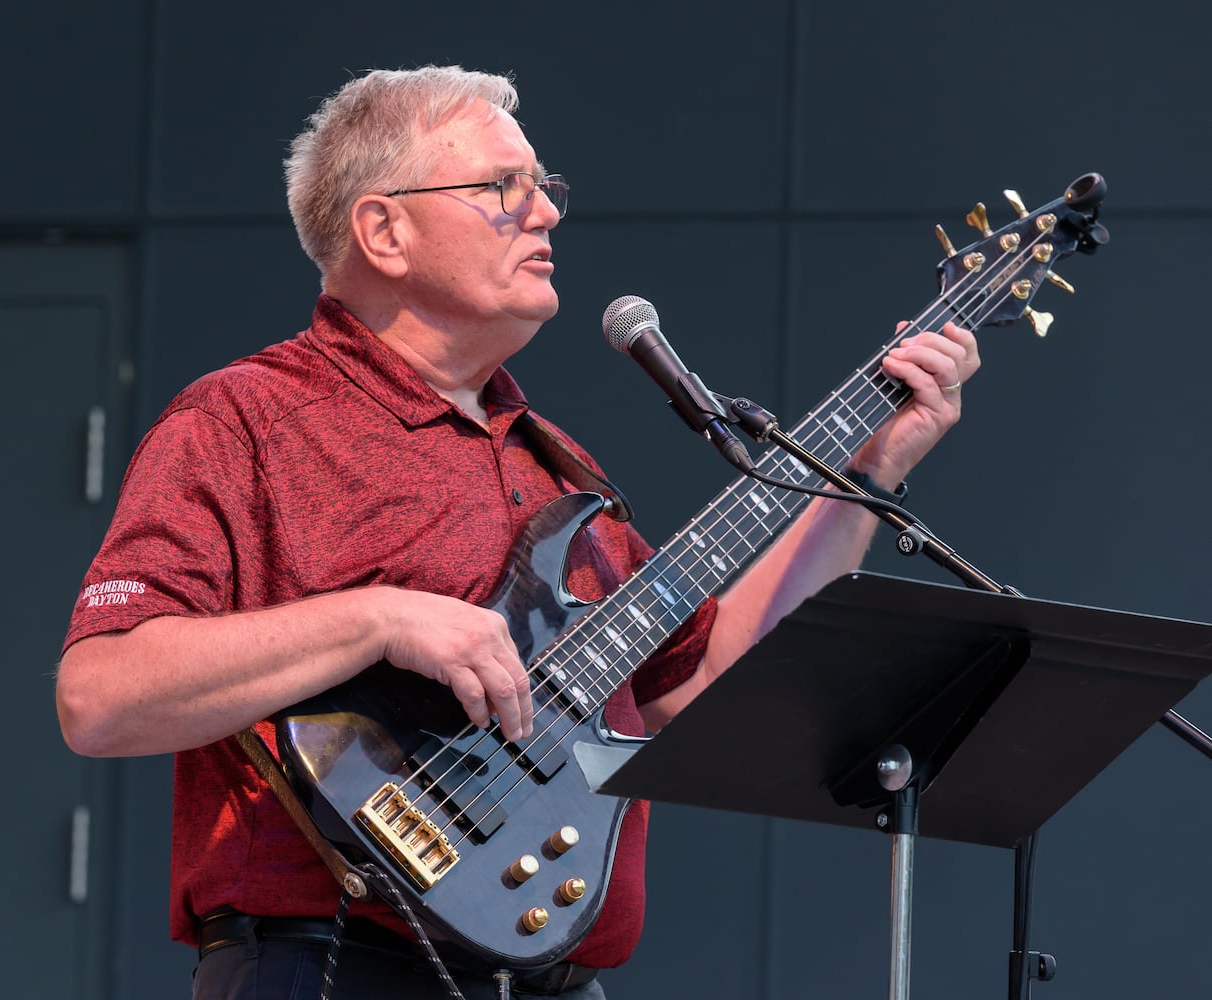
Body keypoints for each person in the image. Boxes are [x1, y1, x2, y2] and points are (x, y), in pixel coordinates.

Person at [55, 65, 978, 999]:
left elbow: (691, 686)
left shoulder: (557, 467)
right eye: (504, 187)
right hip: (337, 968)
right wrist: (378, 619)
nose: (545, 214)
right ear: (384, 230)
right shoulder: (246, 419)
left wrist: (866, 474)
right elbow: (100, 697)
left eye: (546, 188)